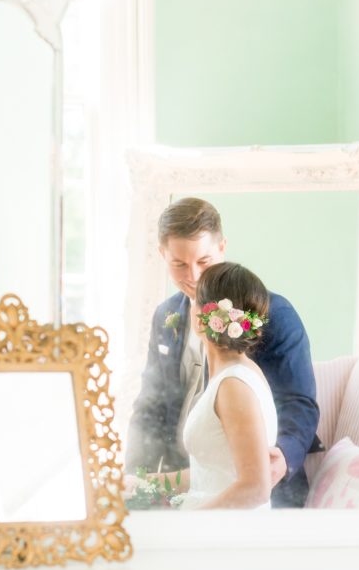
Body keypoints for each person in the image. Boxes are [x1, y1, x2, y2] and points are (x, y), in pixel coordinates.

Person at [124, 197, 320, 508]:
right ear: (163, 254)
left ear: (222, 247)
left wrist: (281, 458)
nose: (194, 275)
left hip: (255, 486)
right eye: (179, 264)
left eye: (204, 261)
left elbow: (299, 403)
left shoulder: (274, 313)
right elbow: (152, 405)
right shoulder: (166, 316)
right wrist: (134, 482)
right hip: (186, 476)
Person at [158, 261, 277, 509]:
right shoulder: (236, 376)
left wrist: (191, 526)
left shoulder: (234, 385)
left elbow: (255, 487)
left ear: (202, 320)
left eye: (192, 301)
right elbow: (214, 473)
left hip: (224, 535)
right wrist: (141, 483)